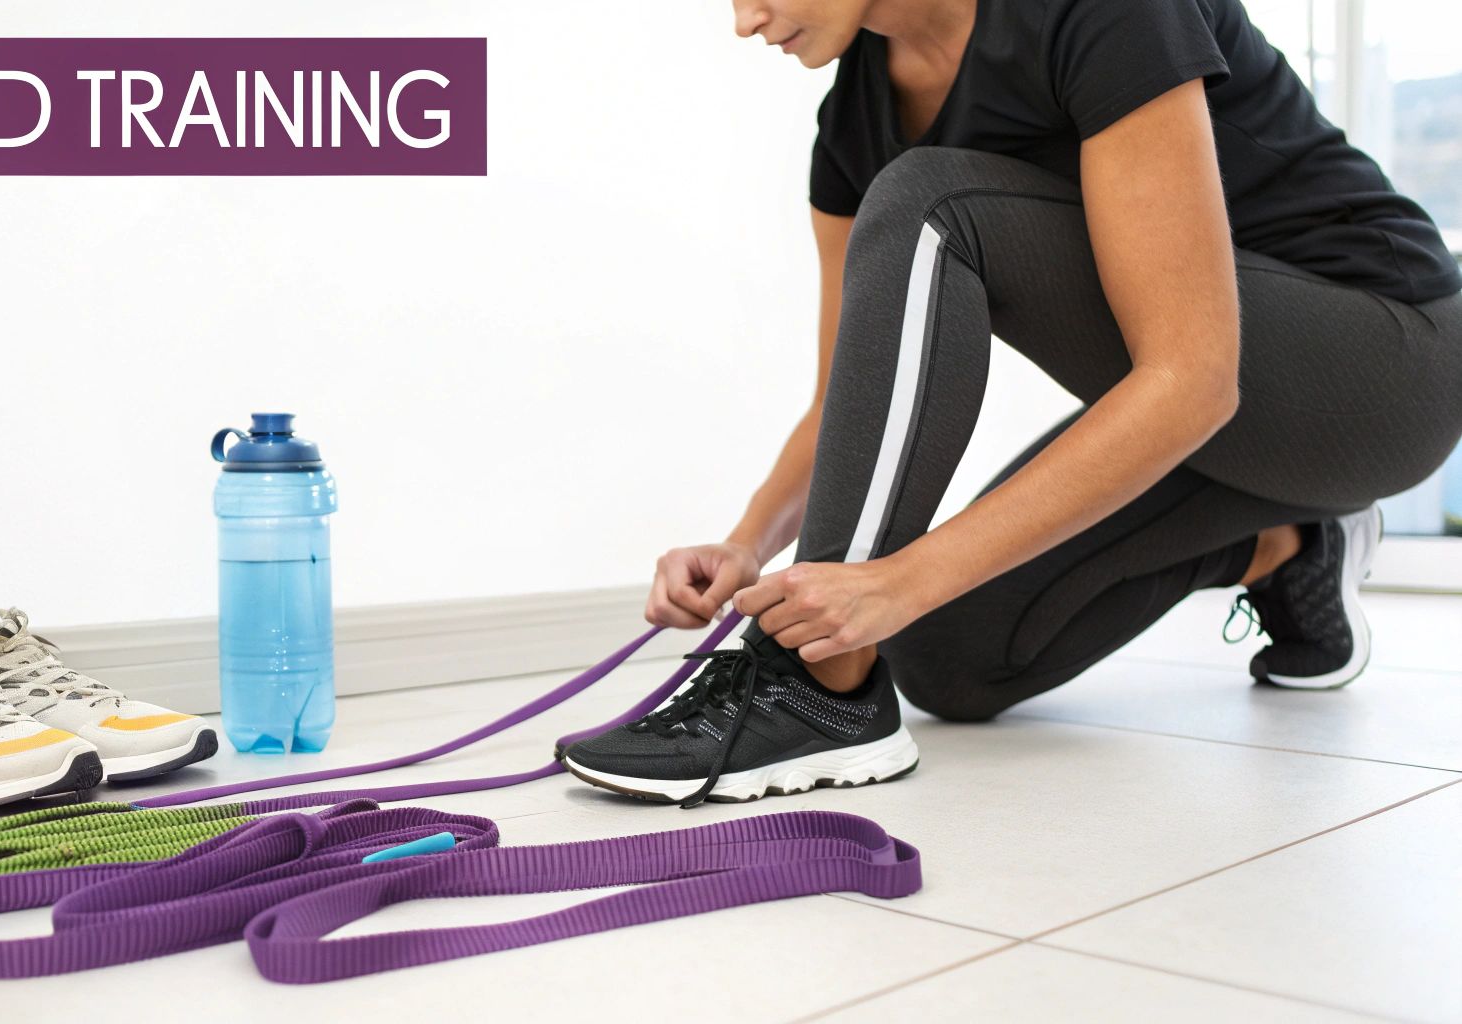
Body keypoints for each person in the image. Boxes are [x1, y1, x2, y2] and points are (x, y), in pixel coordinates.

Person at [561, 0, 1462, 807]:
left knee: (929, 200)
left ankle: (813, 691)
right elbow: (845, 388)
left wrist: (898, 578)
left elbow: (1191, 376)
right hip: (1226, 429)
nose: (744, 20)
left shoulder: (1102, 13)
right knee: (944, 657)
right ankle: (1287, 545)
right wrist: (749, 545)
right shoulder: (854, 122)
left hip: (1386, 374)